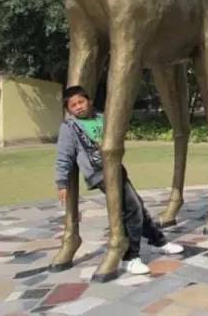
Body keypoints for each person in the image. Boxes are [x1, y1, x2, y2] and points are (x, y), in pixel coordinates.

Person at [55, 86, 183, 275]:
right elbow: (63, 156)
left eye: (81, 102)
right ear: (69, 110)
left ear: (89, 101)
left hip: (117, 170)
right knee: (132, 209)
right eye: (73, 105)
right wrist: (61, 182)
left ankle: (158, 241)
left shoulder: (102, 118)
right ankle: (131, 257)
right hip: (99, 174)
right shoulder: (69, 127)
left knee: (137, 205)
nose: (79, 107)